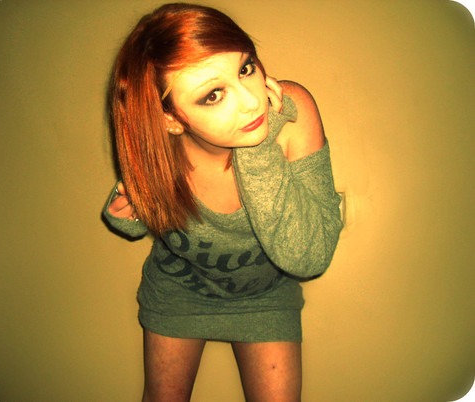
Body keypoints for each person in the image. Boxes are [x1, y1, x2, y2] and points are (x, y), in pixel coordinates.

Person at [102, 3, 343, 401]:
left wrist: (260, 145)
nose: (251, 102)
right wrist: (125, 214)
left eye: (246, 68)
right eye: (213, 95)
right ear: (170, 120)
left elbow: (309, 257)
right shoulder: (158, 150)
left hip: (265, 297)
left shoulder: (289, 113)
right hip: (180, 292)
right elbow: (143, 213)